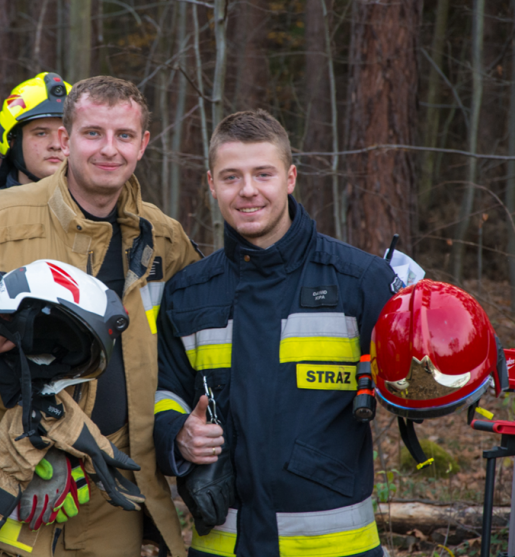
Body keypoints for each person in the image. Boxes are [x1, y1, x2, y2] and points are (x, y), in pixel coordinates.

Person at [0, 75, 202, 557]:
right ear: (66, 141)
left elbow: (193, 341)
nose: (109, 150)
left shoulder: (163, 238)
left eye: (124, 136)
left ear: (143, 144)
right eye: (93, 134)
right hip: (6, 491)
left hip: (113, 495)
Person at [153, 110, 399, 557]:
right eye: (231, 177)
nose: (248, 190)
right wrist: (177, 432)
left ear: (290, 178)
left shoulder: (360, 281)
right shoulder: (186, 293)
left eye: (262, 174)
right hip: (222, 544)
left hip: (337, 547)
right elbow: (163, 389)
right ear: (211, 184)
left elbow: (419, 384)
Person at [0, 71, 71, 214]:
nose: (56, 145)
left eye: (66, 135)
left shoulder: (103, 213)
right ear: (12, 141)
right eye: (41, 133)